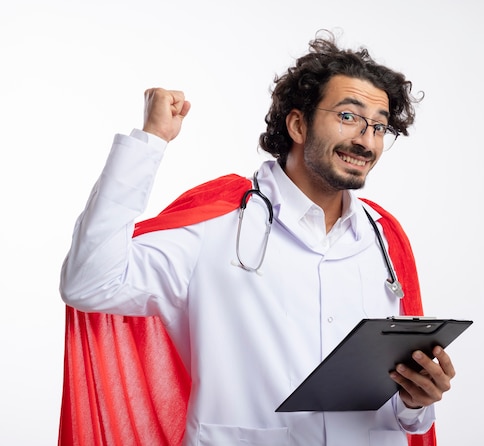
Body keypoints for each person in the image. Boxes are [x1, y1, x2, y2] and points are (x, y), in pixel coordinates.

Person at [59, 30, 455, 446]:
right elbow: (89, 283)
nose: (365, 140)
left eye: (378, 126)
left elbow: (400, 415)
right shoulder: (214, 225)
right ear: (298, 123)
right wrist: (149, 142)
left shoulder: (383, 238)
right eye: (348, 116)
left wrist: (416, 400)